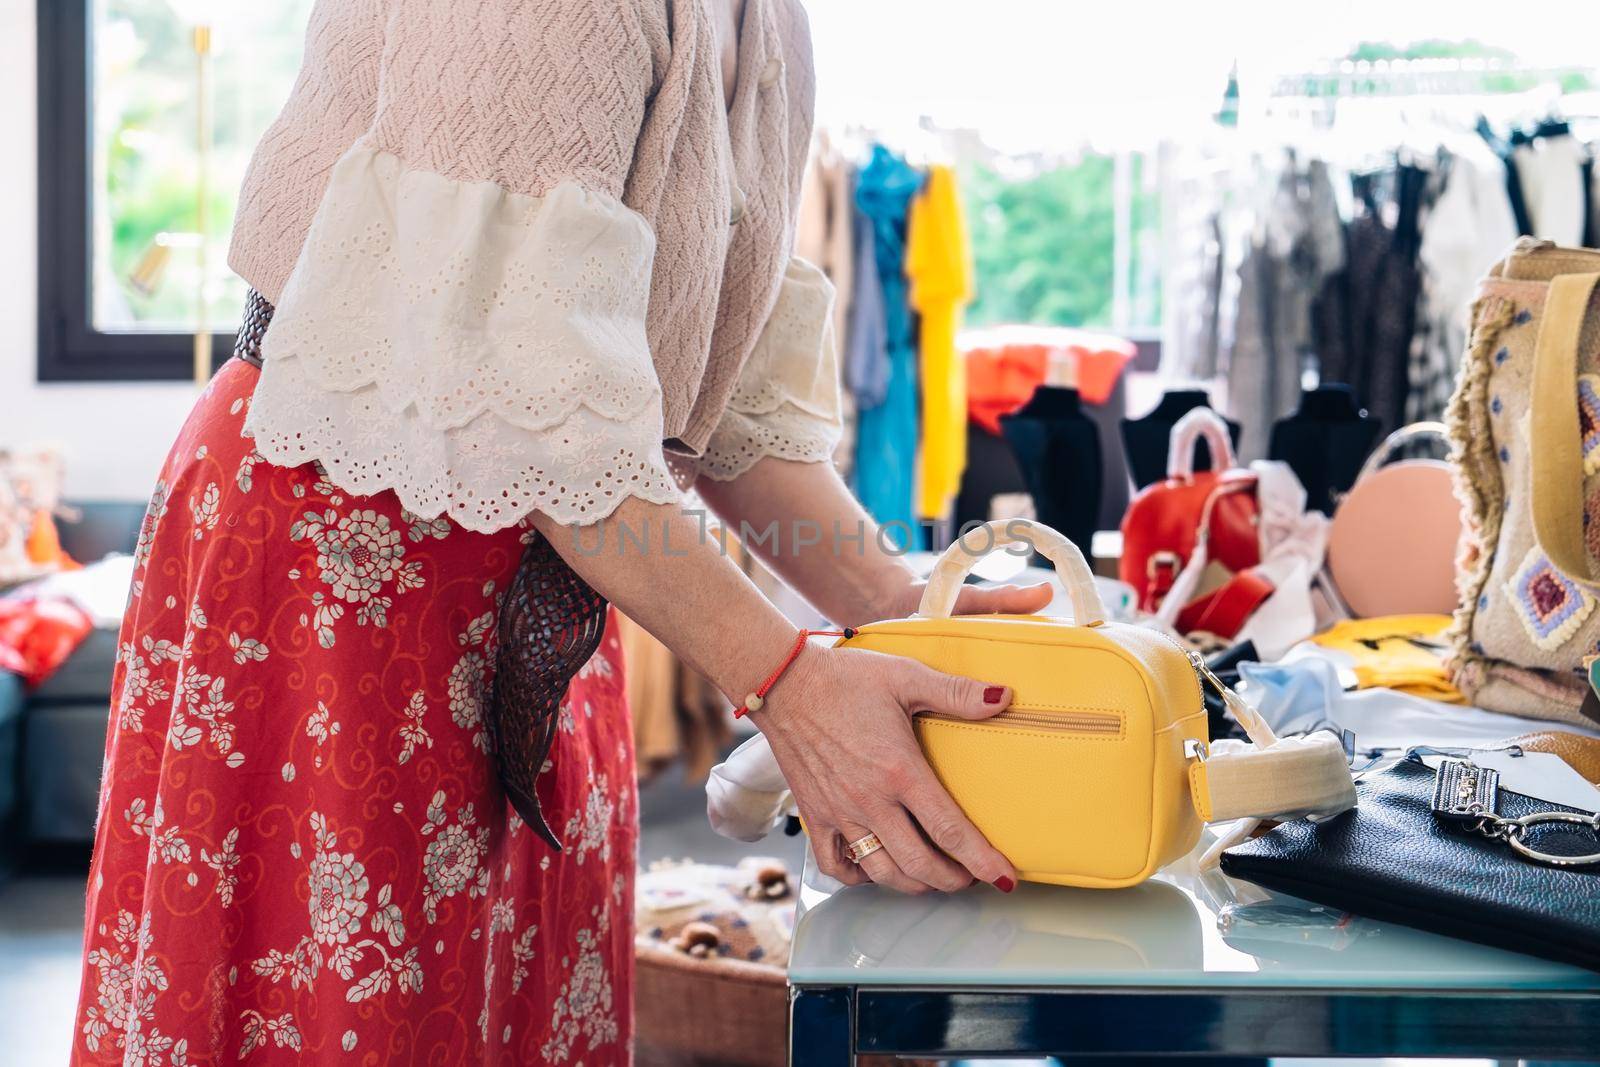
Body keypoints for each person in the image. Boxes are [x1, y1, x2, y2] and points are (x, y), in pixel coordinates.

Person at [71, 1, 1048, 1062]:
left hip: (555, 572)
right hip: (338, 540)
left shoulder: (767, 21)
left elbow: (711, 397)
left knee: (504, 984)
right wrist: (793, 684)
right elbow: (530, 420)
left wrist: (912, 613)